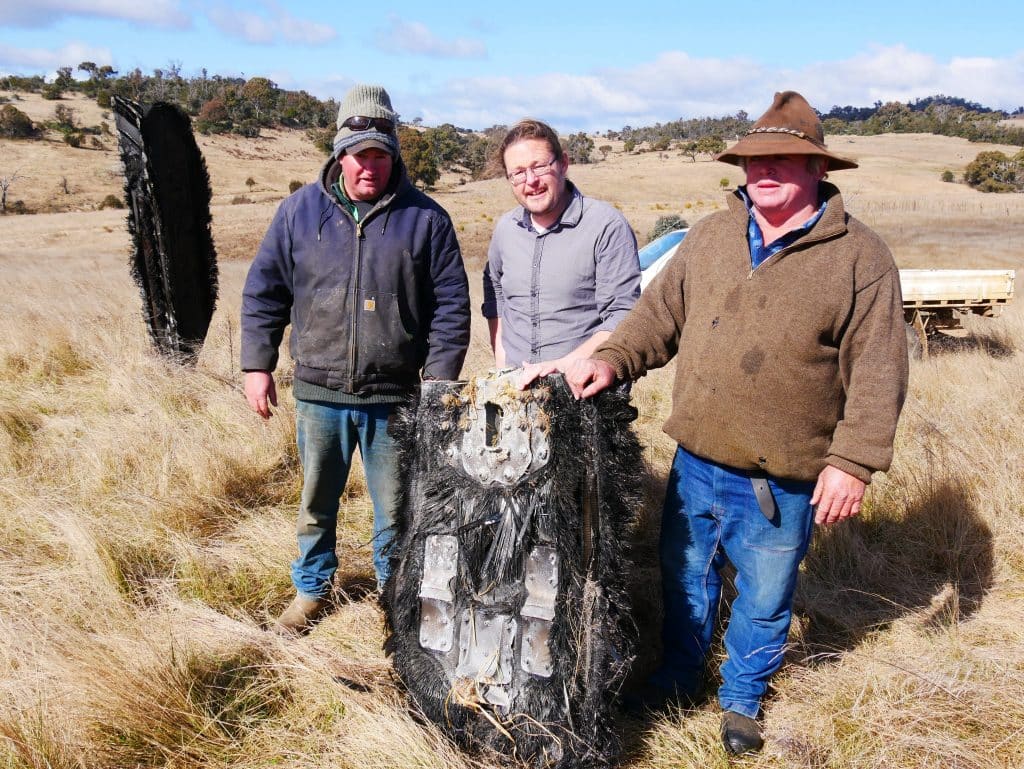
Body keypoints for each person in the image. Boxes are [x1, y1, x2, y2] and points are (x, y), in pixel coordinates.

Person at [564, 91, 908, 755]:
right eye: (755, 159)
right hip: (696, 461)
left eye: (784, 158)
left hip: (782, 475)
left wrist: (854, 461)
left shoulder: (861, 257)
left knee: (766, 593)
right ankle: (680, 676)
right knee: (683, 577)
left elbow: (879, 371)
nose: (766, 170)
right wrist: (610, 362)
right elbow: (655, 320)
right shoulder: (710, 235)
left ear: (817, 168)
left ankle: (743, 698)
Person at [241, 84, 470, 635]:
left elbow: (451, 308)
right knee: (316, 504)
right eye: (359, 153)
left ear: (394, 154)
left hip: (395, 398)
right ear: (339, 153)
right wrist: (257, 365)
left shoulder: (427, 220)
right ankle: (311, 590)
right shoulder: (297, 212)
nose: (370, 165)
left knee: (395, 510)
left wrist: (439, 384)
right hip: (319, 393)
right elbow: (264, 291)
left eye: (380, 153)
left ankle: (396, 594)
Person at [481, 119, 640, 384]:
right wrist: (502, 365)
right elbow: (496, 294)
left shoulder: (606, 225)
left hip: (584, 393)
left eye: (540, 166)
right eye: (518, 173)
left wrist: (563, 366)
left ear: (563, 164)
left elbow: (623, 314)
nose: (531, 181)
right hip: (515, 391)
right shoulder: (505, 230)